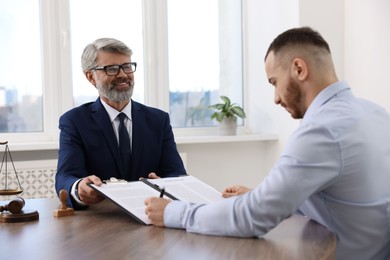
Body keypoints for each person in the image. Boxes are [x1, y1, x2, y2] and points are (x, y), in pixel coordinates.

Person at [144, 27, 390, 259]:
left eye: (274, 82)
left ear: (299, 69)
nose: (275, 98)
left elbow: (252, 216)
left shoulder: (321, 131)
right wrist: (264, 195)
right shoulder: (376, 115)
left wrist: (173, 212)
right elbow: (345, 198)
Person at [55, 38, 186, 209]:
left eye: (127, 66)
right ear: (90, 76)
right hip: (100, 219)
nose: (123, 74)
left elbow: (176, 174)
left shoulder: (158, 120)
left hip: (151, 213)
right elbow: (66, 176)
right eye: (112, 69)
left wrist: (167, 186)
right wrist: (79, 187)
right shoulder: (74, 121)